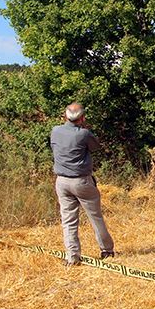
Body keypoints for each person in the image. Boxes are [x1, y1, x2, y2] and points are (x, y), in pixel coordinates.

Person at [50, 103, 115, 266]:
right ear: (82, 118)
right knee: (95, 216)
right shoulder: (84, 134)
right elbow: (95, 147)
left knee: (68, 220)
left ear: (64, 117)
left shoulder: (55, 131)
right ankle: (106, 250)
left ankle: (73, 257)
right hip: (82, 181)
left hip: (62, 181)